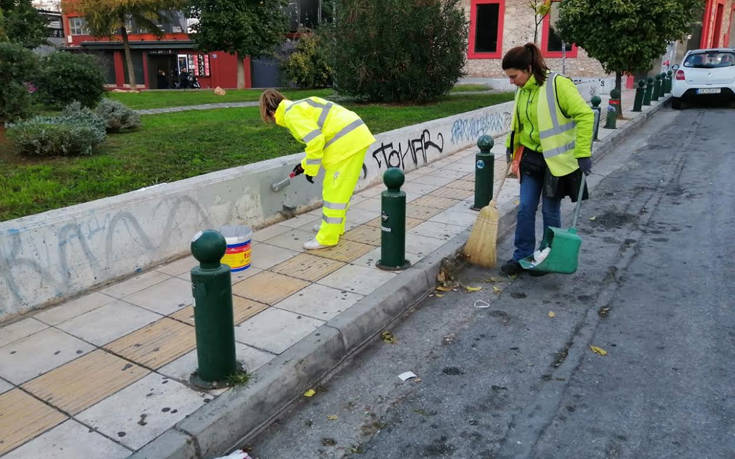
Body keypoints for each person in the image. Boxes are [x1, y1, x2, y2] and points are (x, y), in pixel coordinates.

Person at [500, 43, 593, 276]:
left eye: (513, 76)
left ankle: (546, 256)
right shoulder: (523, 90)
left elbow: (585, 115)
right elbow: (519, 124)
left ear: (528, 68)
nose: (511, 81)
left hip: (556, 162)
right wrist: (511, 149)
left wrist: (583, 153)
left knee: (550, 211)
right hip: (531, 158)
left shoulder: (558, 84)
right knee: (525, 208)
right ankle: (521, 256)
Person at [259, 89, 376, 250]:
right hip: (353, 137)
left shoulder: (291, 115)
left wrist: (311, 169)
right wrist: (305, 165)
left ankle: (327, 238)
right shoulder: (300, 105)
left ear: (271, 112)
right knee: (339, 191)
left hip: (346, 144)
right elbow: (322, 134)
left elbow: (315, 141)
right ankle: (334, 227)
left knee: (334, 194)